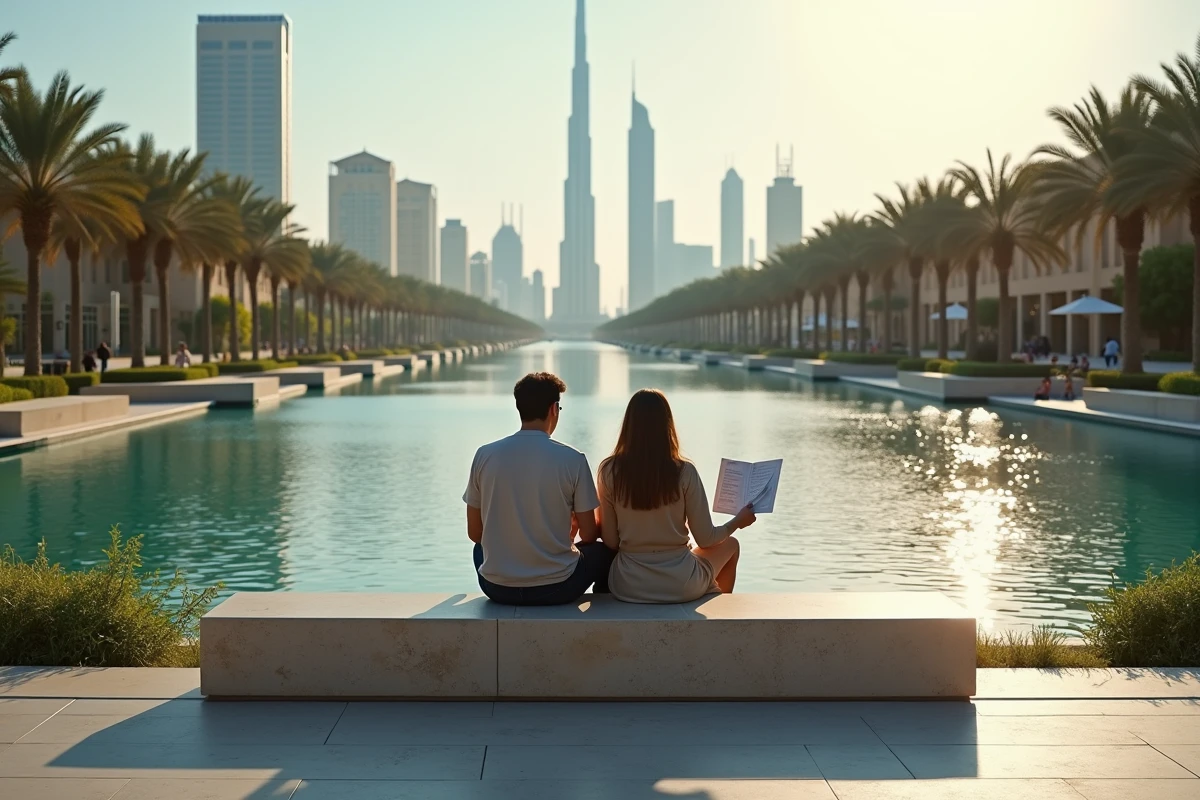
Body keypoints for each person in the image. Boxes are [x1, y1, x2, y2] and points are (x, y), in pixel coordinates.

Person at [464, 372, 614, 606]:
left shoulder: (485, 455)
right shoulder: (572, 459)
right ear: (554, 408)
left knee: (479, 549)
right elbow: (589, 535)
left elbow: (475, 534)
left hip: (497, 588)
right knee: (602, 553)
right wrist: (569, 527)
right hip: (558, 588)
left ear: (519, 407)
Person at [597, 389, 757, 604]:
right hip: (681, 583)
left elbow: (610, 540)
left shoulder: (609, 471)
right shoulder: (684, 471)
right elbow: (706, 539)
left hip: (628, 584)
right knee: (732, 545)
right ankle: (721, 614)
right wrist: (738, 521)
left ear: (629, 425)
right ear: (667, 425)